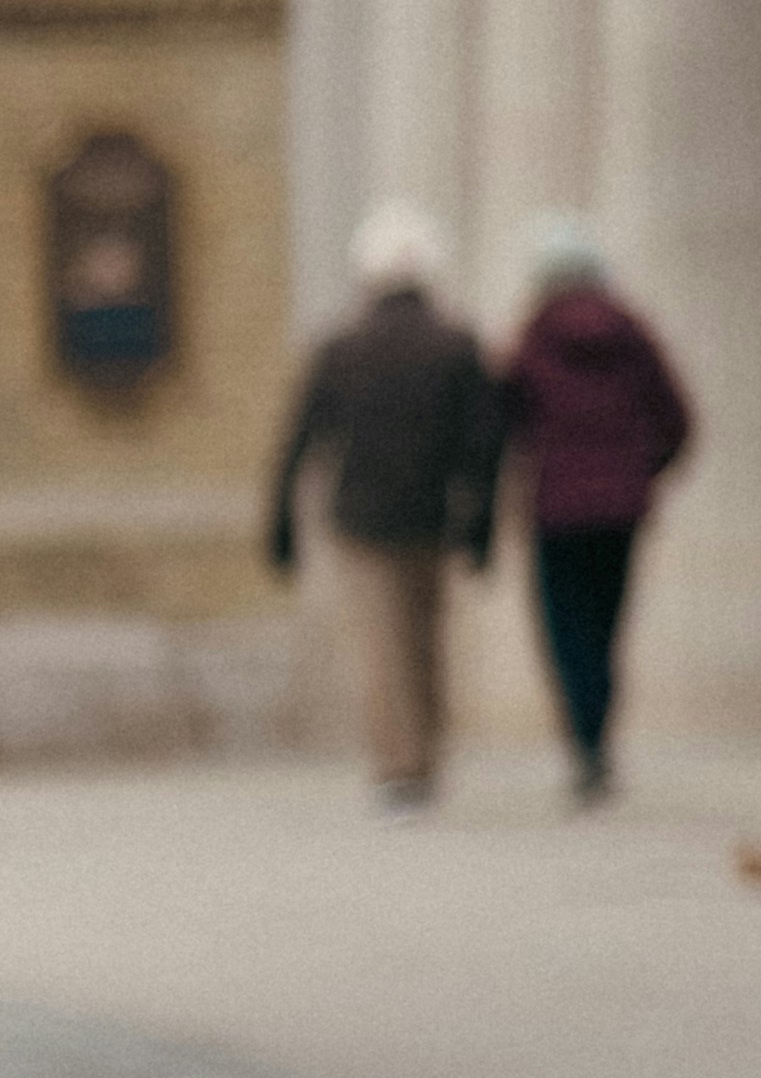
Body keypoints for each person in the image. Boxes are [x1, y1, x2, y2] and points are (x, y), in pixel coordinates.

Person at [267, 203, 504, 807]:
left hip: (363, 518)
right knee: (427, 639)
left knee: (383, 644)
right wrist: (481, 524)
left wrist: (281, 523)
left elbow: (301, 440)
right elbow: (485, 446)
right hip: (432, 514)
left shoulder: (343, 348)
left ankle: (399, 765)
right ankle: (426, 754)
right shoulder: (457, 346)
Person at [498, 218, 693, 804]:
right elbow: (678, 418)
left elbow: (505, 420)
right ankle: (598, 740)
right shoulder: (633, 334)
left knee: (566, 628)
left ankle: (585, 744)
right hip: (620, 509)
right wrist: (642, 471)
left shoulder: (532, 340)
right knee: (607, 626)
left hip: (556, 508)